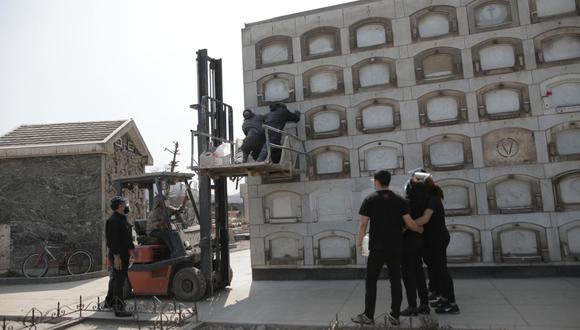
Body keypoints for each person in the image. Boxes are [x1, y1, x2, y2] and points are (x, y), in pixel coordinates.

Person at [351, 170, 424, 326]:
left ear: (377, 182)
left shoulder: (370, 199)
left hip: (377, 248)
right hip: (396, 247)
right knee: (395, 281)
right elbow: (409, 223)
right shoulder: (399, 200)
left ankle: (368, 316)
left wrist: (358, 243)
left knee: (371, 281)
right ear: (388, 182)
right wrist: (419, 229)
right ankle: (395, 316)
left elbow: (363, 224)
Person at [414, 173, 460, 314]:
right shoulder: (429, 198)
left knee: (441, 271)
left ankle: (452, 304)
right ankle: (444, 297)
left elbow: (425, 219)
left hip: (437, 239)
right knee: (435, 270)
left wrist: (406, 225)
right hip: (432, 239)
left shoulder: (433, 200)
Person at [400, 178, 430, 316]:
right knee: (419, 273)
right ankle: (424, 304)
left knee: (408, 275)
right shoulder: (424, 204)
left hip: (407, 243)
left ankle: (412, 305)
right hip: (419, 240)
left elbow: (401, 225)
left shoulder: (405, 203)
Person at [104, 196, 135, 317]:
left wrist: (131, 250)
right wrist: (116, 257)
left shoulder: (123, 218)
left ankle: (109, 302)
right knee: (119, 281)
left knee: (116, 278)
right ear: (119, 206)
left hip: (124, 253)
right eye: (124, 203)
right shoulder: (113, 221)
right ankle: (119, 308)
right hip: (117, 254)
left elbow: (127, 237)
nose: (126, 205)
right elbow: (112, 241)